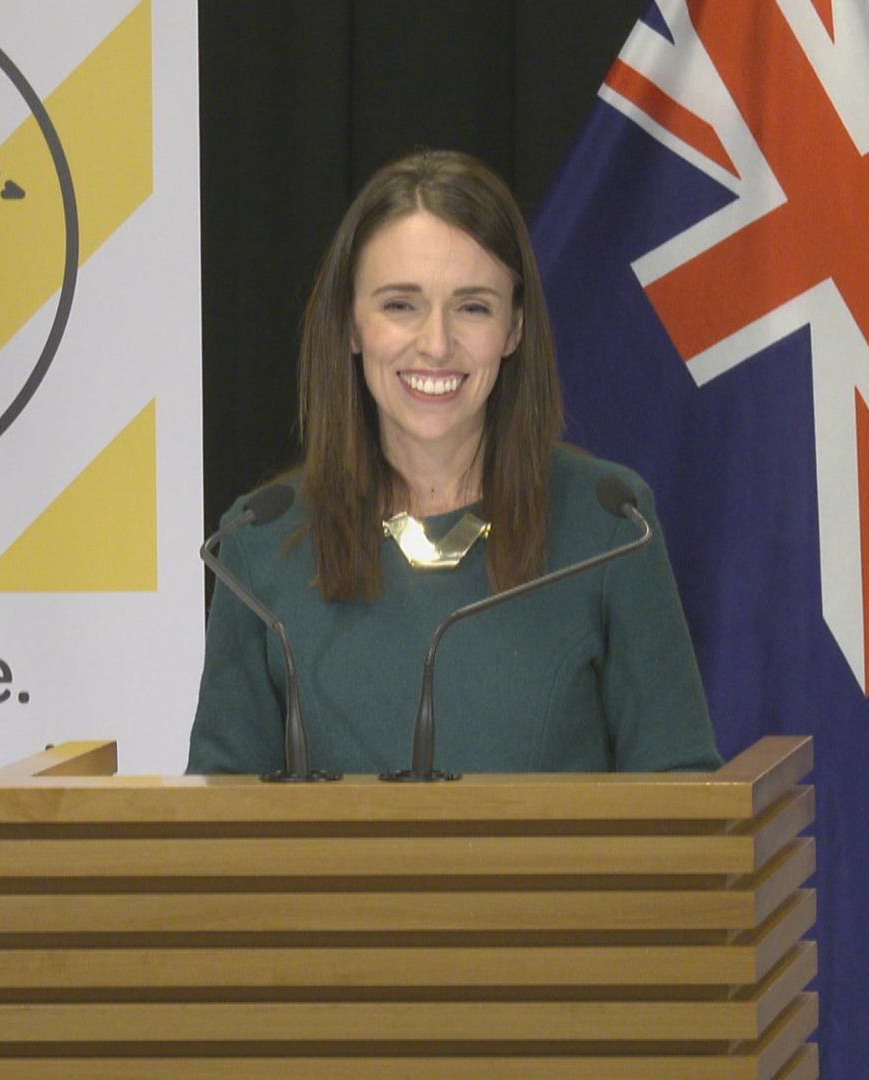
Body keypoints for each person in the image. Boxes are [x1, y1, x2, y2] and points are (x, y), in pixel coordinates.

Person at [188, 150, 722, 776]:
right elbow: (216, 816)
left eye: (473, 307)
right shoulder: (258, 544)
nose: (436, 344)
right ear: (350, 326)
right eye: (400, 305)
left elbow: (683, 797)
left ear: (514, 329)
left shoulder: (613, 529)